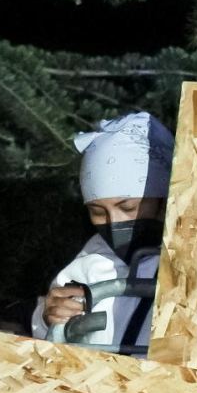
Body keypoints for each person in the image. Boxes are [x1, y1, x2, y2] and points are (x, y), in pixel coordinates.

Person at [34, 111, 170, 347]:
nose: (114, 221)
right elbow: (48, 337)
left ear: (165, 198)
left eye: (128, 207)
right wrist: (48, 318)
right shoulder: (90, 263)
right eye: (97, 211)